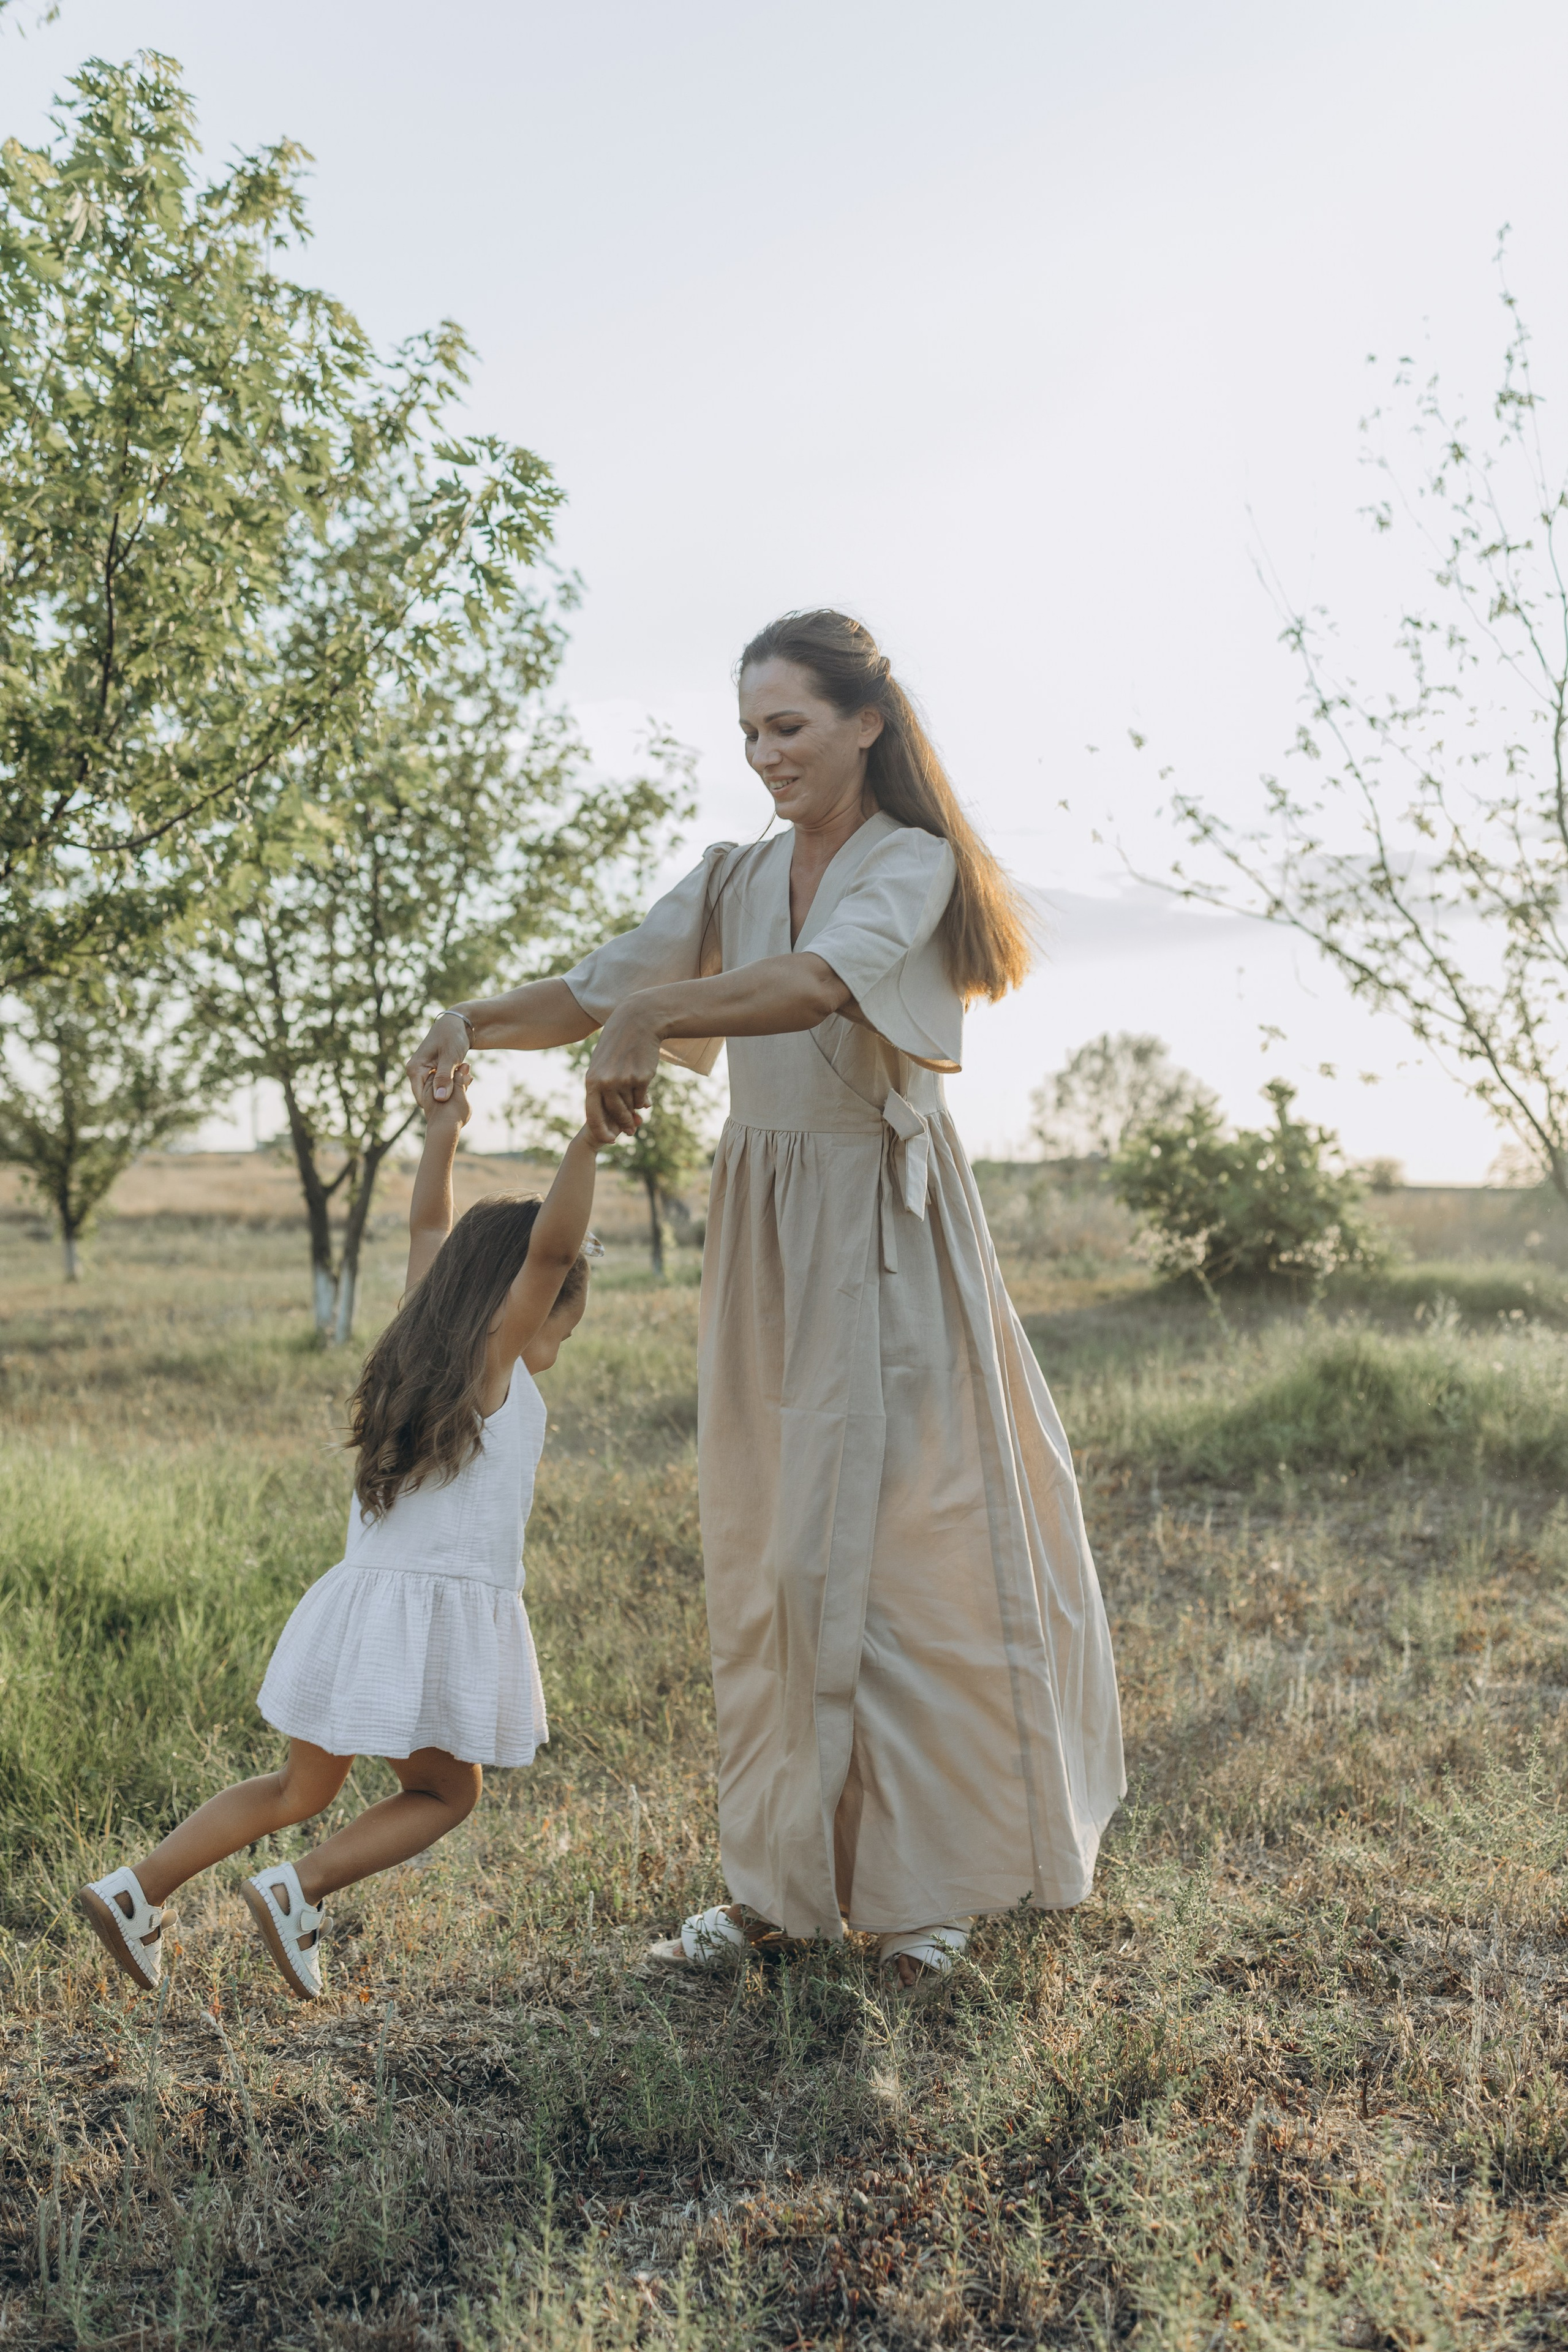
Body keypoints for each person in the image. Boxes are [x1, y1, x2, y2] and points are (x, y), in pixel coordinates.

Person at [407, 608, 1125, 1988]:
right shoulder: (733, 874)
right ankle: (776, 1889)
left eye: (787, 726)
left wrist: (655, 1018)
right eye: (748, 732)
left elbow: (813, 985)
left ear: (866, 723)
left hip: (884, 1229)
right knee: (768, 1563)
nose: (764, 754)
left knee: (902, 1556)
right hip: (764, 1239)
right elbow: (599, 986)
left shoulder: (909, 861)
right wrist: (471, 1020)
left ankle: (922, 1896)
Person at [78, 1070, 598, 2002]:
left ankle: (136, 1890)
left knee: (298, 1789)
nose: (561, 1337)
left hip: (360, 1608)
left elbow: (428, 1231)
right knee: (449, 1793)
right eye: (562, 1316)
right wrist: (589, 1141)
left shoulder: (422, 1347)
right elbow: (551, 1249)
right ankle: (299, 1887)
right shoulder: (493, 1367)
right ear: (527, 1298)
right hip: (417, 1624)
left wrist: (442, 1130)